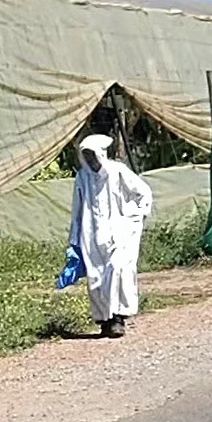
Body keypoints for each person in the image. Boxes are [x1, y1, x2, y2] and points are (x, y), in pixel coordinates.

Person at [69, 134, 153, 338]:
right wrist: (74, 241)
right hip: (91, 235)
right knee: (96, 277)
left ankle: (118, 318)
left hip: (118, 234)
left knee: (118, 270)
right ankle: (104, 320)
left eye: (92, 155)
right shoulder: (82, 177)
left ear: (101, 154)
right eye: (86, 155)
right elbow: (77, 209)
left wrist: (134, 216)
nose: (90, 160)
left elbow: (143, 193)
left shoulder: (117, 171)